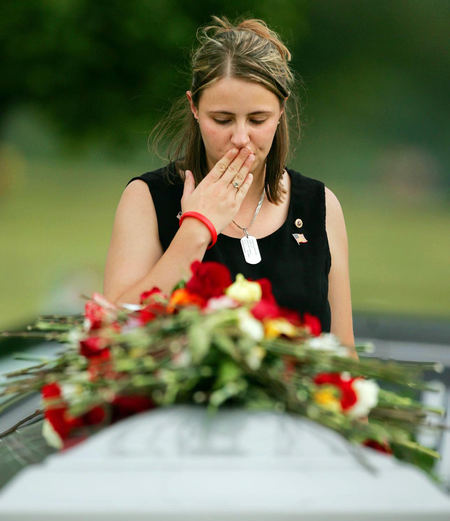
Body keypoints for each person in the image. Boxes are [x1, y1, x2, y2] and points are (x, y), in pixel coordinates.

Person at [104, 16, 356, 351]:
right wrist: (195, 230)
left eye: (257, 119)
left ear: (281, 110)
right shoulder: (148, 198)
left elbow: (344, 355)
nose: (240, 138)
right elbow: (109, 334)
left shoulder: (319, 205)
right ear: (194, 107)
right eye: (221, 119)